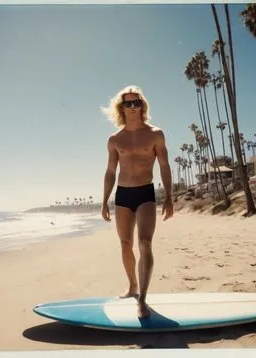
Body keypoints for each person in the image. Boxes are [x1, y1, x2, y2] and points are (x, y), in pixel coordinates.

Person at [100, 85, 174, 319]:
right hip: (122, 195)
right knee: (125, 243)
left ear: (142, 105)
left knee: (144, 243)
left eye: (136, 102)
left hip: (145, 193)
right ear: (121, 108)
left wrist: (170, 198)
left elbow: (164, 166)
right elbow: (111, 171)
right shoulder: (114, 139)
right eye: (127, 103)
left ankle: (142, 298)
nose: (132, 107)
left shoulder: (155, 134)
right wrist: (104, 201)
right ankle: (132, 285)